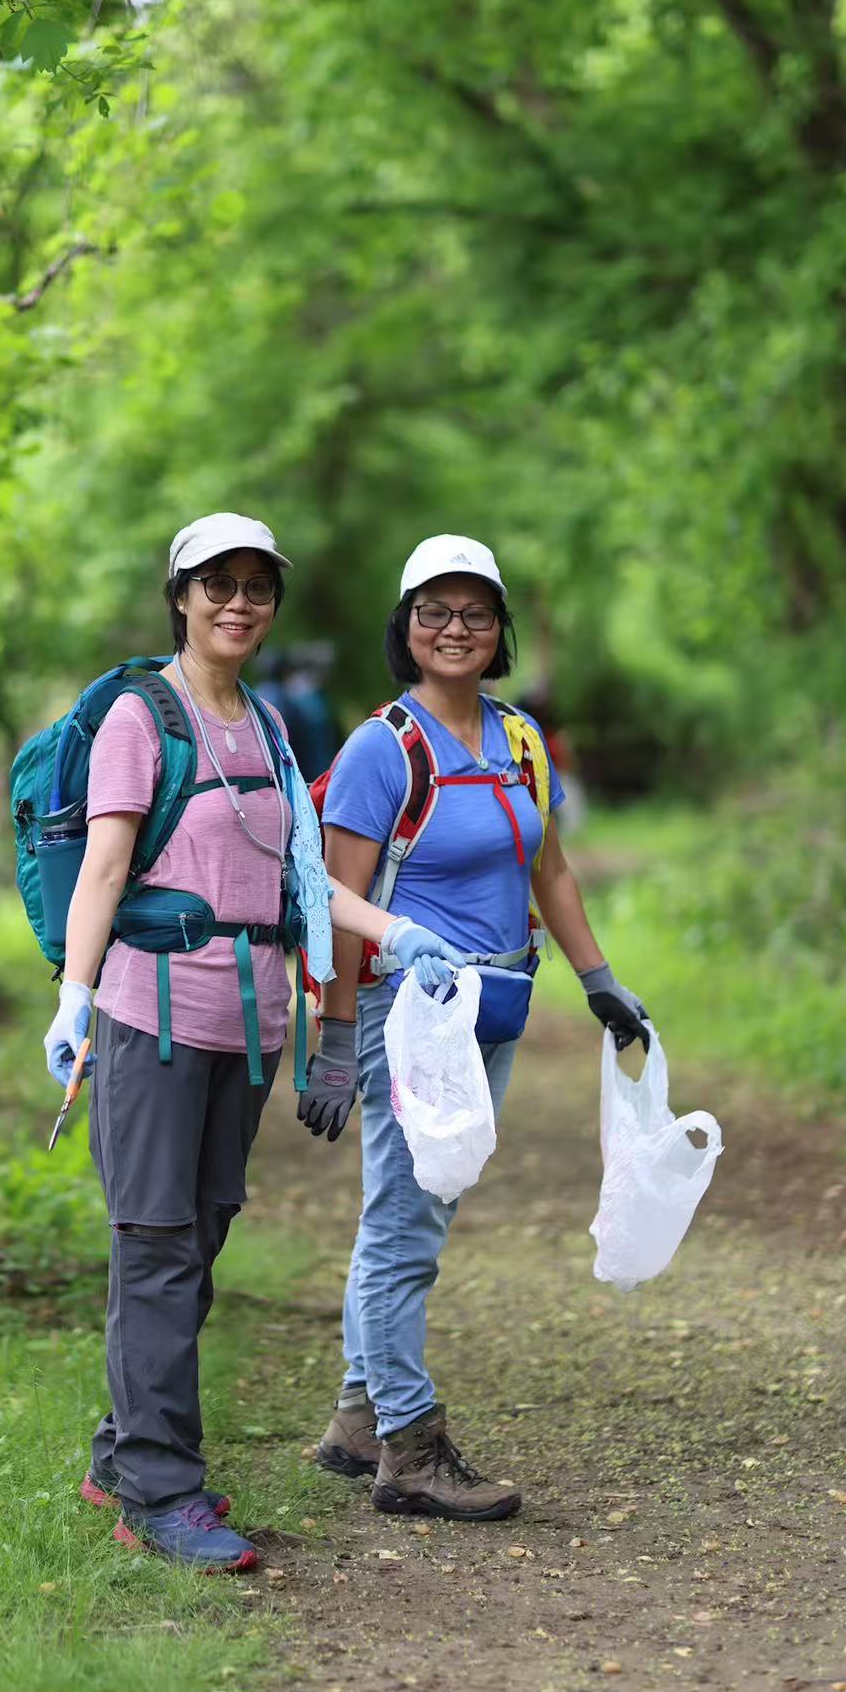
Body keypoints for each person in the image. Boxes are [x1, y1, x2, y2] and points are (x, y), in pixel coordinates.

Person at [41, 513, 469, 1573]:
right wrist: (74, 997)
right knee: (155, 1246)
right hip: (150, 1019)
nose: (238, 603)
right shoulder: (143, 716)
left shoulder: (269, 725)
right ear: (180, 595)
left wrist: (395, 932)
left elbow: (305, 883)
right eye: (217, 584)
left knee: (197, 1241)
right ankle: (159, 1490)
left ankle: (121, 1450)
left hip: (246, 1028)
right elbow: (104, 869)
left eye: (257, 587)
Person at [298, 534, 649, 1523]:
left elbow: (549, 869)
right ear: (404, 626)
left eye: (475, 612)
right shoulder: (381, 748)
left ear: (498, 629)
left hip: (494, 1005)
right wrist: (334, 1035)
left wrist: (599, 979)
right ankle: (409, 1448)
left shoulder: (520, 740)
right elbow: (332, 898)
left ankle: (356, 1418)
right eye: (434, 611)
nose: (454, 628)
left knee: (419, 1209)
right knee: (403, 1223)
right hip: (405, 1016)